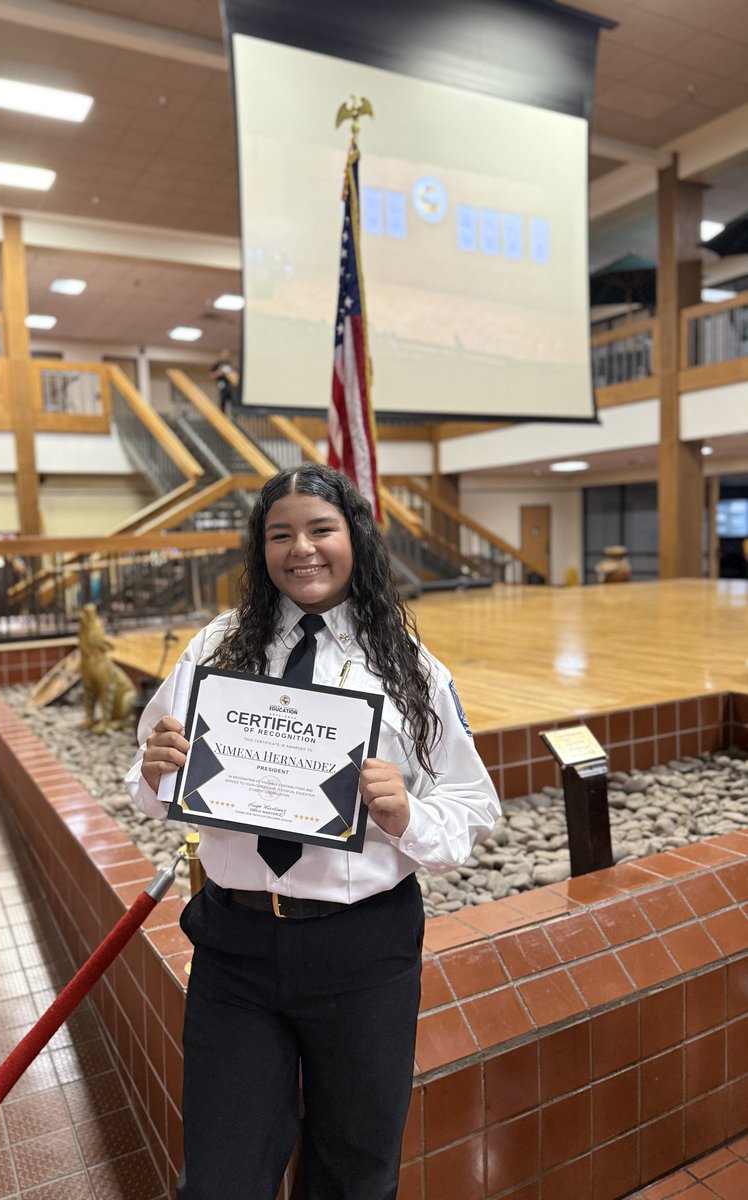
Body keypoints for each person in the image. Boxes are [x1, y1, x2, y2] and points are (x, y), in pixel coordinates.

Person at [125, 463, 499, 1200]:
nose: (303, 548)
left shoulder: (410, 669)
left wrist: (407, 814)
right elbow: (151, 794)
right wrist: (154, 769)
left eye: (321, 529)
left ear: (354, 537)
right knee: (221, 1177)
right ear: (260, 549)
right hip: (236, 951)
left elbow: (474, 806)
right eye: (280, 534)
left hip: (363, 953)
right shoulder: (215, 650)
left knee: (355, 1175)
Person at [209, 349, 239, 414]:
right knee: (222, 403)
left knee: (233, 402)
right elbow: (211, 376)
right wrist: (219, 373)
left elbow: (236, 375)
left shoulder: (232, 365)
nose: (225, 356)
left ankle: (233, 417)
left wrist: (233, 377)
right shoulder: (217, 365)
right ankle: (222, 416)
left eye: (227, 355)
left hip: (231, 387)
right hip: (222, 386)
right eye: (224, 354)